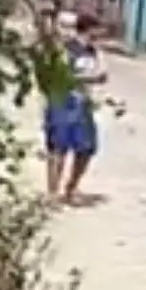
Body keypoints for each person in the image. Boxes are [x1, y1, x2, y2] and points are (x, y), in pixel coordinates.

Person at [45, 13, 106, 205]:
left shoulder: (92, 51)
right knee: (58, 148)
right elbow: (61, 76)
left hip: (83, 104)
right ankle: (53, 192)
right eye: (98, 30)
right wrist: (89, 78)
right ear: (89, 29)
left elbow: (103, 74)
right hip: (63, 102)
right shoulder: (67, 50)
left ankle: (71, 187)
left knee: (86, 148)